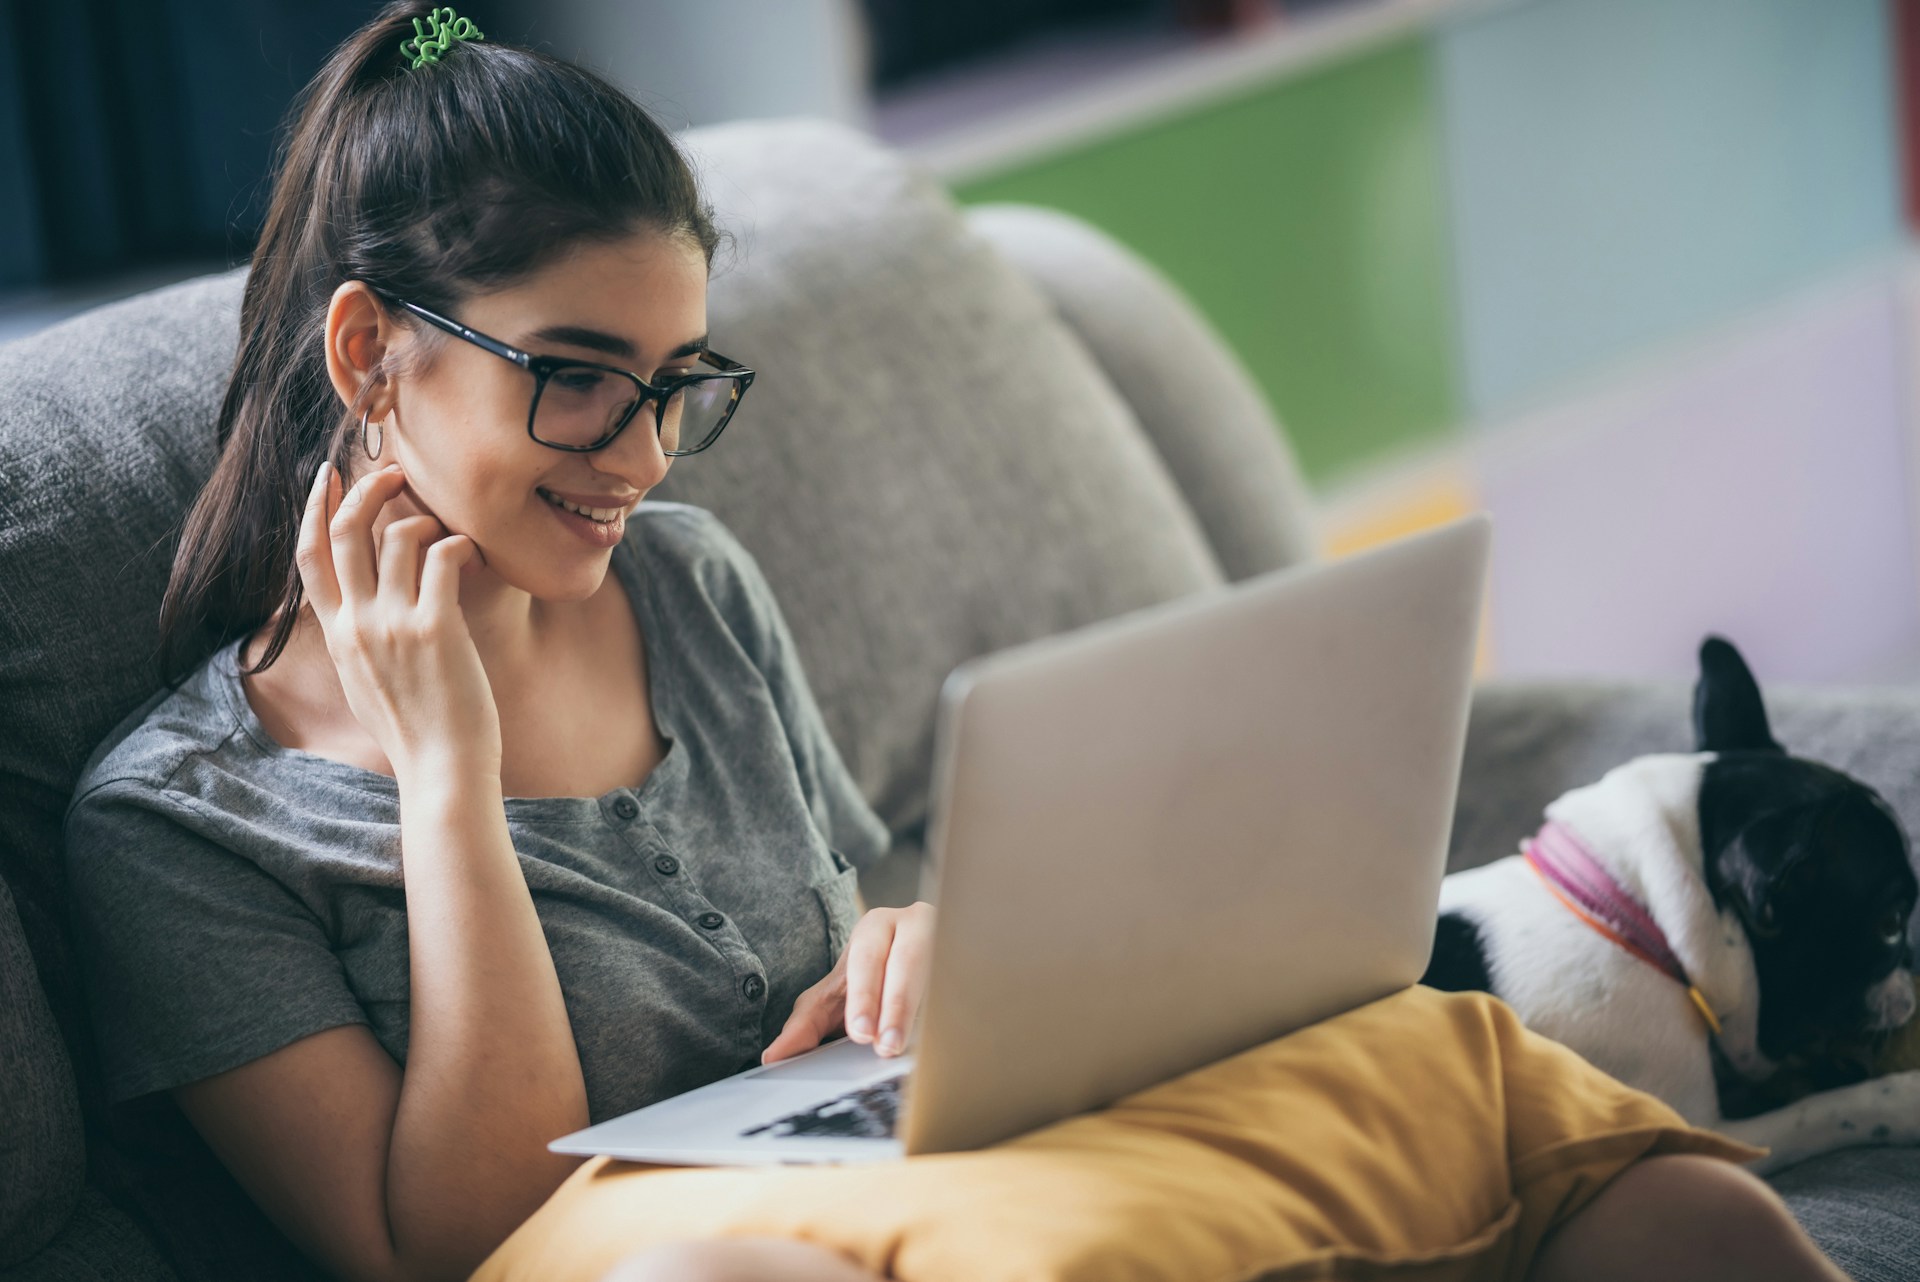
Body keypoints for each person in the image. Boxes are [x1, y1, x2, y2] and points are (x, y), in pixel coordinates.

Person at [60, 6, 1854, 1282]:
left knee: (1509, 1103)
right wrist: (449, 779)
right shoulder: (175, 828)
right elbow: (454, 1239)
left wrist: (916, 939)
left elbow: (862, 927)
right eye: (580, 382)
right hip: (680, 1255)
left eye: (678, 385)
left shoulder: (682, 585)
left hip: (935, 1154)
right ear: (375, 352)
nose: (645, 456)